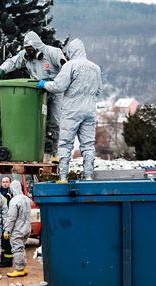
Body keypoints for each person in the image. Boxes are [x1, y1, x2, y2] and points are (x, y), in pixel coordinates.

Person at [0, 31, 67, 162]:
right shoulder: (25, 56)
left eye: (30, 48)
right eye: (26, 49)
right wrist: (2, 69)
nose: (29, 52)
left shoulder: (52, 52)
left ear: (37, 46)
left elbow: (66, 68)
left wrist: (57, 81)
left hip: (55, 91)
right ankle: (29, 150)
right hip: (36, 91)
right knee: (32, 122)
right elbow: (13, 61)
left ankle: (57, 153)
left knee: (56, 122)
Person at [37, 38, 102, 182]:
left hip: (72, 110)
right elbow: (99, 90)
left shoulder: (70, 66)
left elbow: (58, 86)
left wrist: (44, 84)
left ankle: (63, 176)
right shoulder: (95, 68)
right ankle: (89, 175)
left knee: (65, 143)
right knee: (88, 144)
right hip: (89, 111)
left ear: (71, 51)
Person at [3, 180, 32, 277]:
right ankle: (23, 267)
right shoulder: (26, 199)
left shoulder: (14, 200)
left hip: (18, 228)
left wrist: (7, 230)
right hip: (27, 227)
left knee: (17, 248)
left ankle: (19, 269)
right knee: (22, 248)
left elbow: (11, 218)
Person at [0, 176, 13, 267]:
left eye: (7, 182)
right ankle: (3, 260)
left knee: (7, 242)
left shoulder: (11, 193)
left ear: (10, 183)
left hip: (8, 220)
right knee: (2, 242)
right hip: (0, 220)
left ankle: (8, 261)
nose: (5, 183)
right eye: (3, 182)